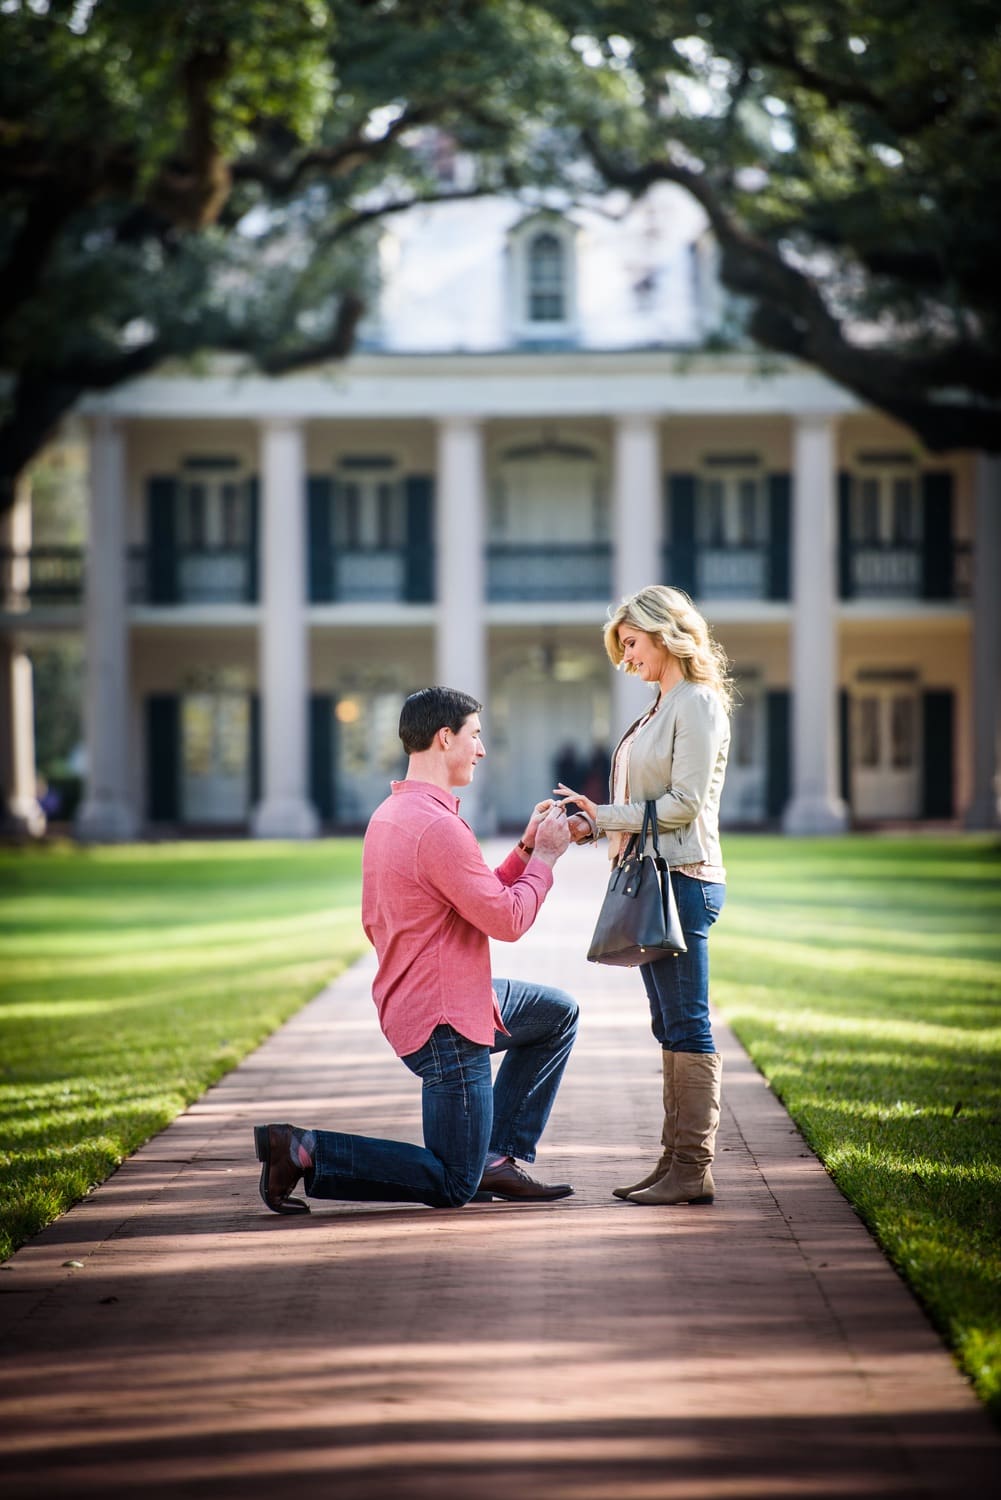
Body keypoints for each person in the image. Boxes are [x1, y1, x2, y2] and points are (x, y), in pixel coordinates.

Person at [255, 685, 578, 1214]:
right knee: (454, 1184)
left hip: (438, 996)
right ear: (444, 737)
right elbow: (507, 919)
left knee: (557, 1014)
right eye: (475, 736)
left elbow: (476, 896)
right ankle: (302, 1149)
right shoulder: (437, 826)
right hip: (445, 1024)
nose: (481, 749)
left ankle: (496, 1157)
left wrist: (522, 850)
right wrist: (546, 858)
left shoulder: (396, 813)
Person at [555, 585, 731, 1206]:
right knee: (668, 1023)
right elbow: (643, 806)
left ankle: (693, 1167)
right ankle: (674, 1161)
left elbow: (685, 806)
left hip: (683, 881)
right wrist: (591, 821)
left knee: (687, 1022)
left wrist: (604, 816)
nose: (626, 657)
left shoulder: (698, 703)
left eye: (631, 643)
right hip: (652, 879)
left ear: (664, 634)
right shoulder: (657, 708)